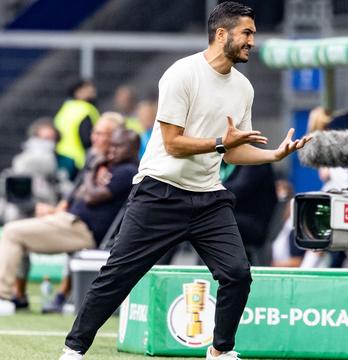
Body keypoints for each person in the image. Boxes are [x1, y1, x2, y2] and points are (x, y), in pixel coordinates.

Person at [58, 3, 310, 360]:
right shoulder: (181, 74)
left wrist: (274, 156)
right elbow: (175, 144)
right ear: (222, 34)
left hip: (208, 197)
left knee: (237, 273)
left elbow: (234, 153)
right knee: (118, 274)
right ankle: (74, 349)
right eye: (247, 33)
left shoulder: (243, 88)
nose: (253, 41)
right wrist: (223, 143)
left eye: (253, 33)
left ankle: (221, 351)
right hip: (159, 191)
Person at [0, 128, 138, 316]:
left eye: (119, 146)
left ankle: (3, 296)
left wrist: (93, 168)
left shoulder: (128, 170)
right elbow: (78, 195)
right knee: (16, 229)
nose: (113, 150)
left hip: (81, 228)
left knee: (11, 232)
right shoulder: (109, 166)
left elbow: (92, 197)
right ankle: (19, 295)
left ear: (133, 148)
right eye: (112, 145)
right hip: (69, 221)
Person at [53, 79, 100, 172]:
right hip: (79, 161)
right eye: (88, 87)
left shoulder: (64, 109)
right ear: (78, 91)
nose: (93, 90)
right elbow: (87, 139)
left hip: (62, 158)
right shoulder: (86, 109)